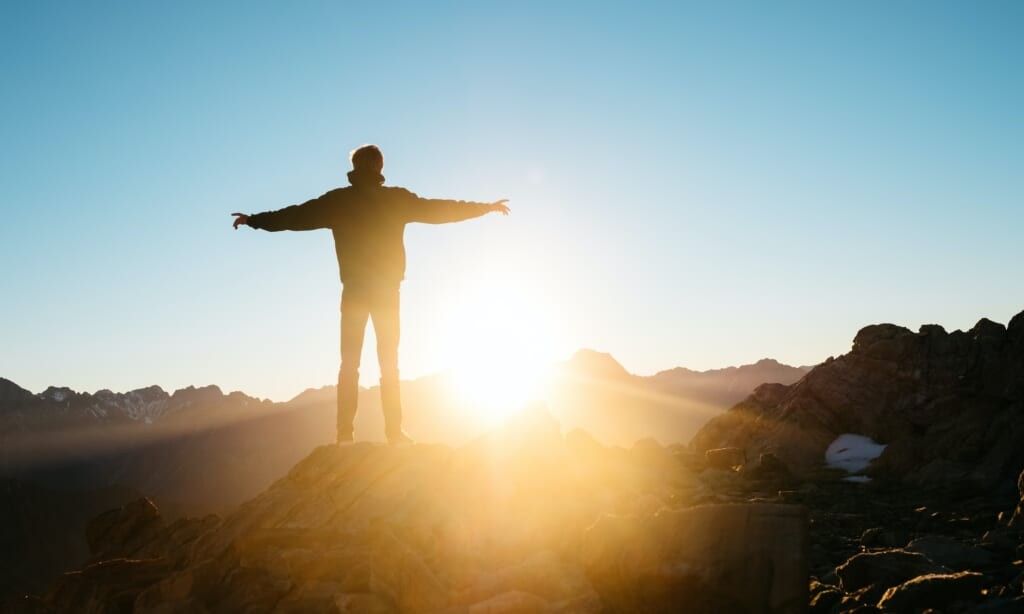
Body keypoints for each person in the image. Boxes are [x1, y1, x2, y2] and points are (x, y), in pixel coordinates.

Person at [231, 145, 509, 444]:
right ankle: (394, 433)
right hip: (387, 292)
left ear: (354, 166)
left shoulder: (339, 201)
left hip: (354, 292)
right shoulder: (396, 200)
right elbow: (441, 209)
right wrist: (484, 207)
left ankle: (344, 434)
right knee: (389, 362)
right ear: (379, 167)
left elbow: (295, 216)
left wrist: (254, 220)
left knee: (349, 363)